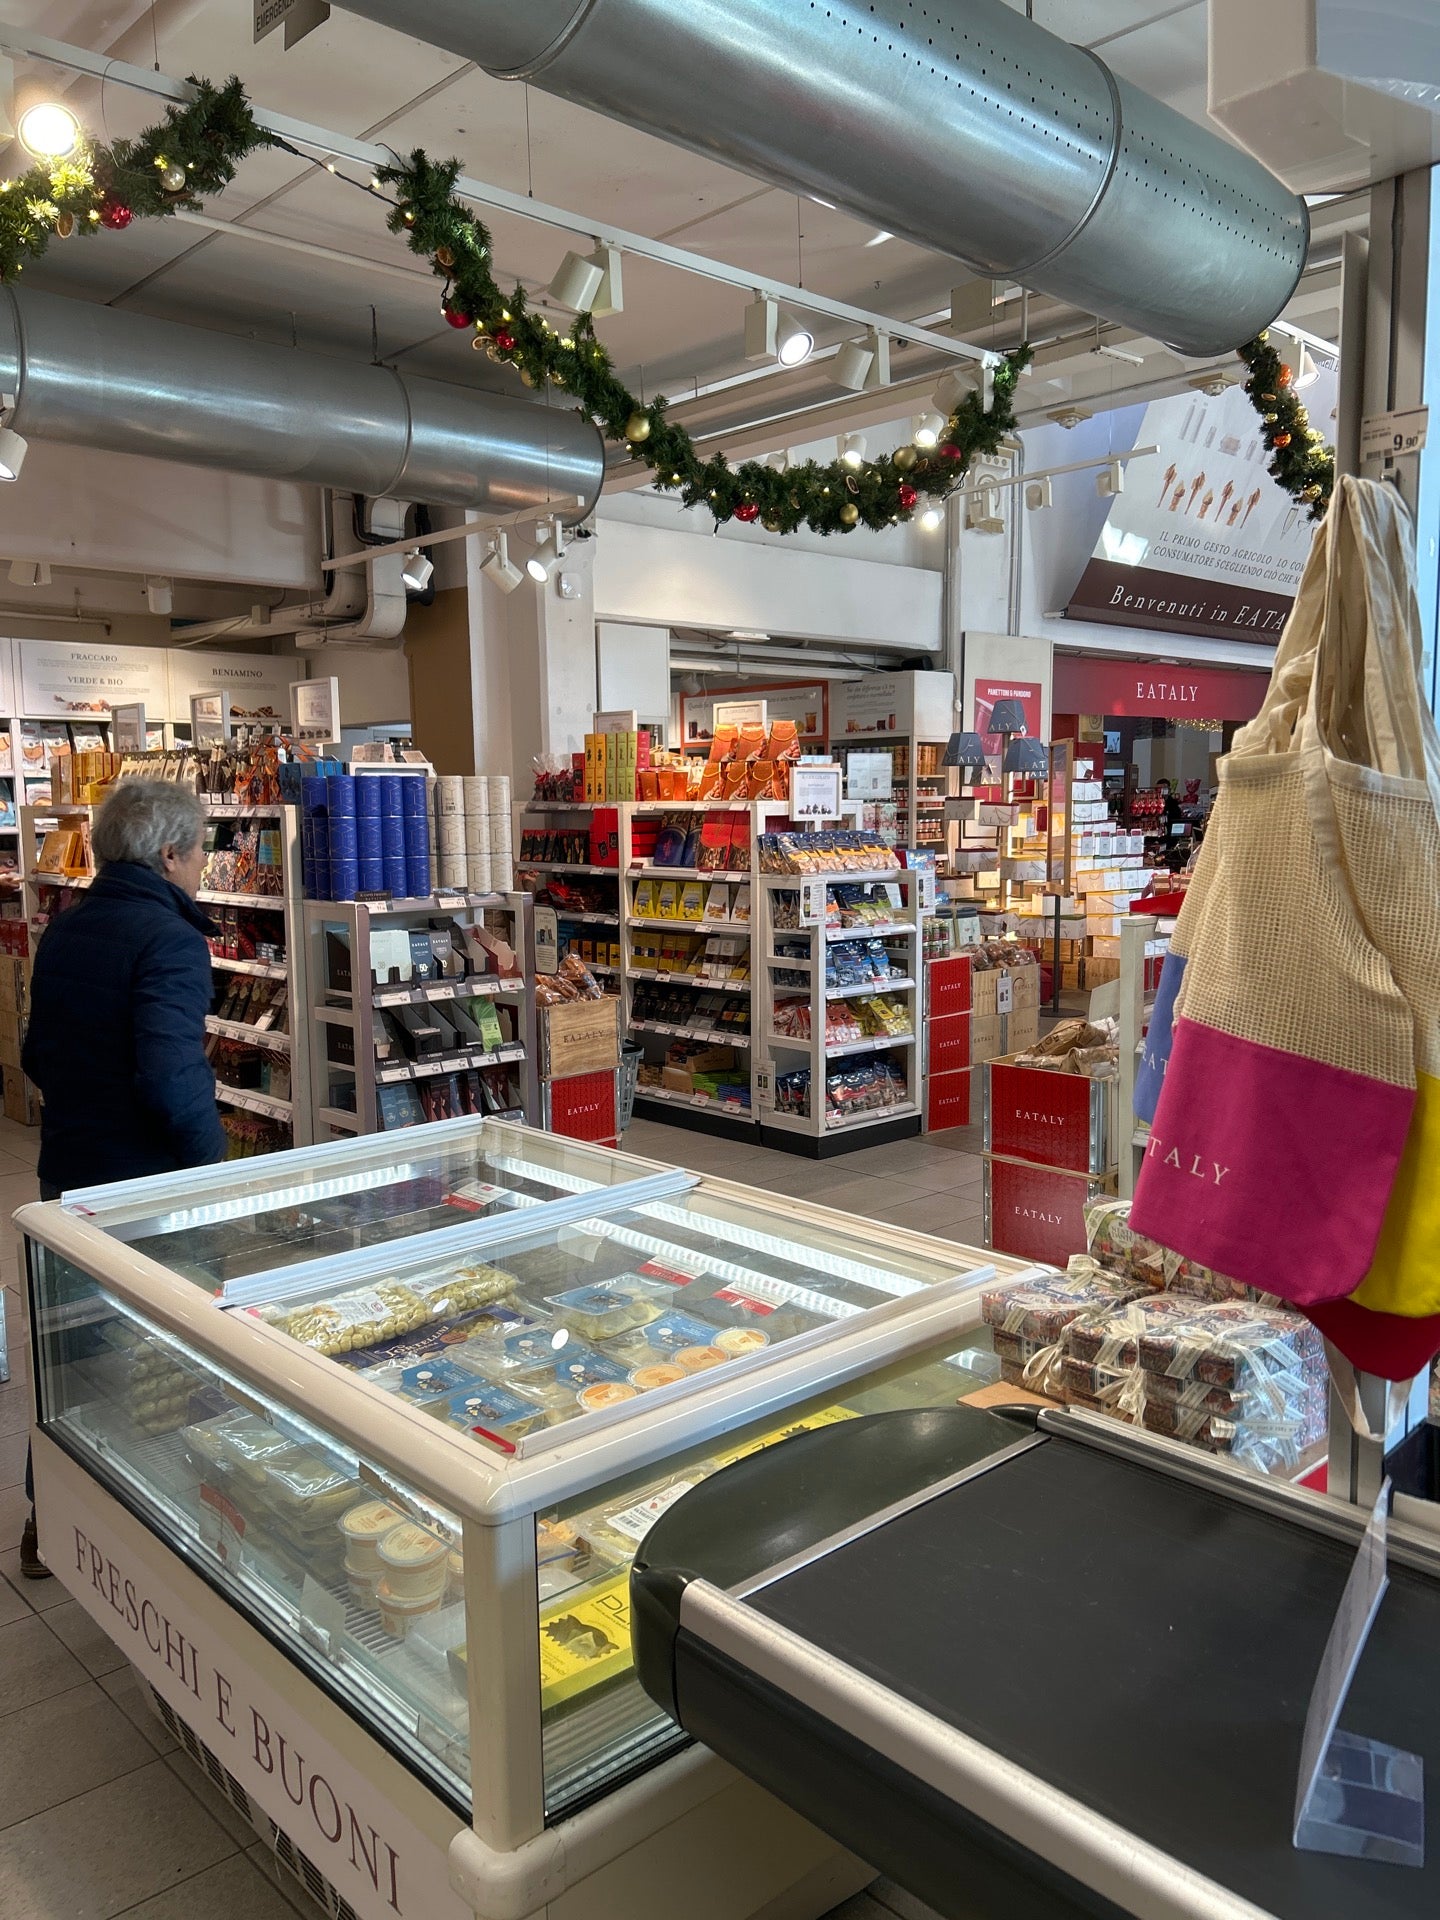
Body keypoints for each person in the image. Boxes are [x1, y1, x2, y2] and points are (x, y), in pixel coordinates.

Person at [18, 780, 225, 1576]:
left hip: (71, 1174)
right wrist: (211, 1174)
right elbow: (171, 1081)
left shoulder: (66, 931)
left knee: (72, 1349)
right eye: (200, 849)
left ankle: (49, 1526)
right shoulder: (169, 941)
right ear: (170, 855)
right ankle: (185, 1517)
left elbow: (36, 1055)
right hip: (150, 1189)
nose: (204, 865)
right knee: (176, 1351)